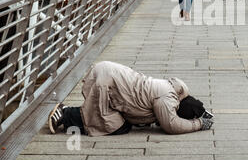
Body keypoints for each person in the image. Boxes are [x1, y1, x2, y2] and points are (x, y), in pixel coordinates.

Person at [47, 61, 214, 136]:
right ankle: (65, 113)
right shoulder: (167, 99)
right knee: (112, 125)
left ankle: (69, 114)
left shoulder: (173, 91)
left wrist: (202, 113)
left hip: (109, 76)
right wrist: (198, 124)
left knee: (119, 123)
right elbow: (171, 125)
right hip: (106, 82)